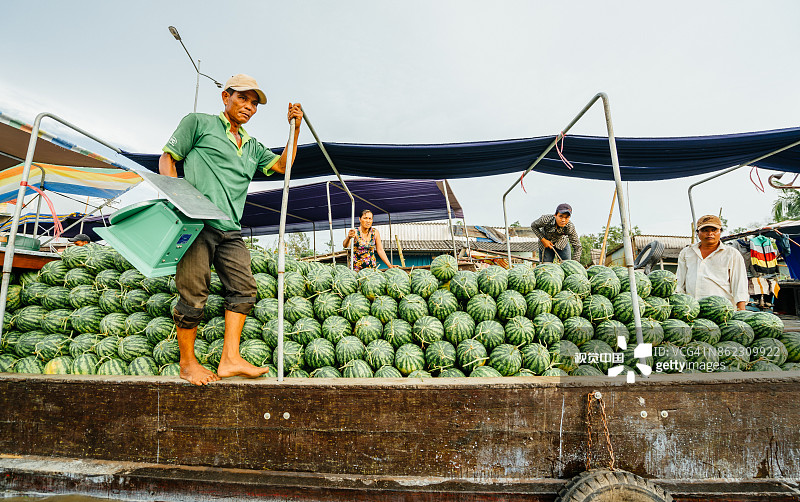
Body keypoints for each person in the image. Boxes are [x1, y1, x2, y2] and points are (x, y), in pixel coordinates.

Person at [159, 74, 303, 385]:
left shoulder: (252, 146)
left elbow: (283, 166)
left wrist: (295, 129)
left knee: (244, 289)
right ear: (226, 97)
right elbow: (168, 158)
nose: (249, 106)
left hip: (230, 229)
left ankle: (230, 359)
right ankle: (187, 364)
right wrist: (177, 200)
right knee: (194, 295)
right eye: (243, 98)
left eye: (254, 103)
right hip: (197, 222)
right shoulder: (198, 123)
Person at [676, 214, 748, 310]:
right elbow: (679, 283)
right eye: (705, 230)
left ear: (720, 231)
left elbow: (740, 285)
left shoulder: (732, 254)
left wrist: (741, 312)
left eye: (714, 230)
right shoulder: (686, 253)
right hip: (692, 309)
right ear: (697, 233)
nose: (710, 233)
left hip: (722, 310)